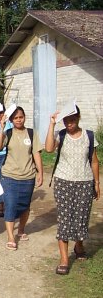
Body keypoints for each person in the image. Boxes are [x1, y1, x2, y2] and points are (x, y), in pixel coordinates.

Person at [44, 107, 99, 275]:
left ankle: (79, 244)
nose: (69, 123)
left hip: (85, 182)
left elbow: (94, 161)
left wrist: (97, 183)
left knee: (81, 218)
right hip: (64, 182)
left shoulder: (89, 135)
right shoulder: (61, 135)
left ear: (78, 117)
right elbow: (48, 149)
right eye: (66, 120)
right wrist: (52, 124)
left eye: (72, 119)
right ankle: (64, 260)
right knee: (65, 220)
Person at [0, 107, 43, 251]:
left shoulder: (32, 133)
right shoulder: (8, 133)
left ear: (24, 117)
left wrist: (40, 172)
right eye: (15, 118)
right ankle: (10, 237)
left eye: (21, 117)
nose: (19, 120)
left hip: (28, 176)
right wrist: (1, 128)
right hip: (9, 175)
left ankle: (21, 229)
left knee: (25, 206)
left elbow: (36, 154)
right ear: (11, 120)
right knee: (10, 205)